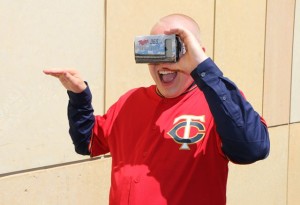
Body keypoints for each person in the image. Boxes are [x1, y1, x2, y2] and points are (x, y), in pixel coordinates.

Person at [44, 14, 270, 205]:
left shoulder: (218, 103)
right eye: (155, 50)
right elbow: (87, 142)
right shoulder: (131, 101)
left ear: (196, 52)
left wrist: (204, 69)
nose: (164, 63)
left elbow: (253, 149)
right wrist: (79, 97)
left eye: (174, 49)